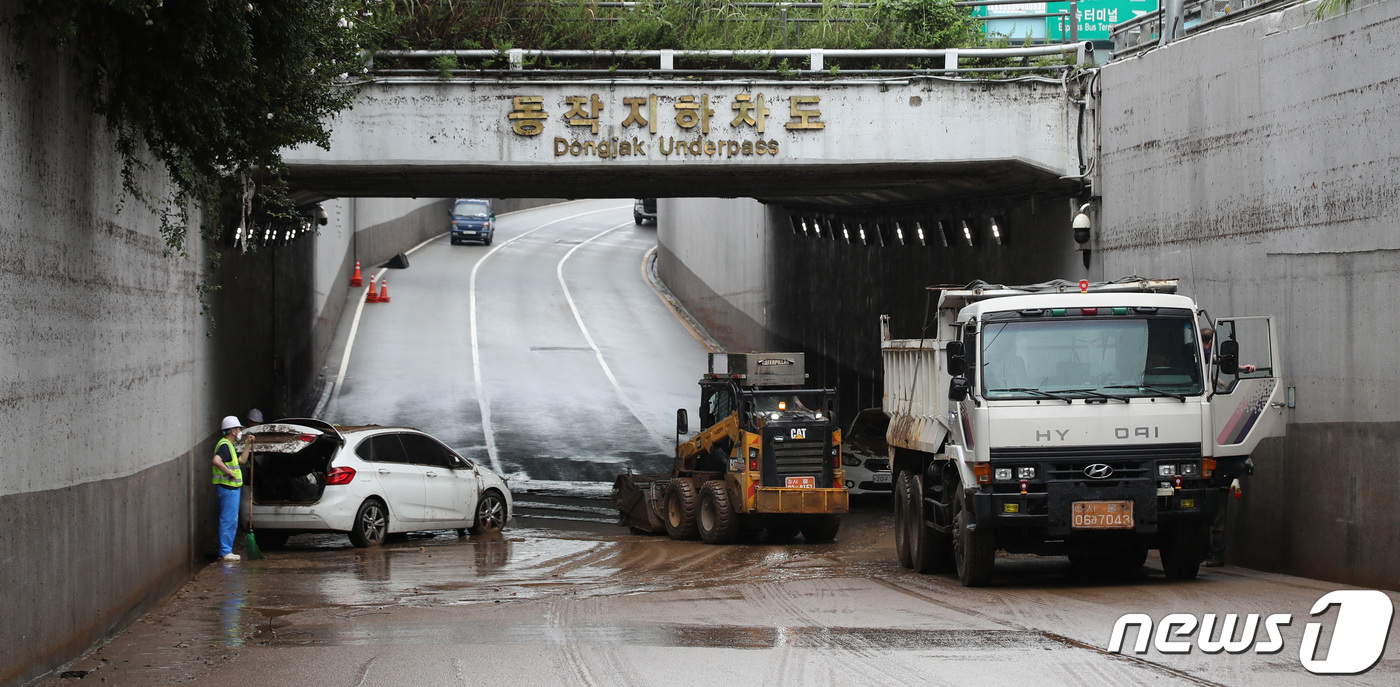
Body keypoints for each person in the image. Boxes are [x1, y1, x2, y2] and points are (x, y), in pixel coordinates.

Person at [213, 416, 246, 561]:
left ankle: (226, 550)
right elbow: (216, 460)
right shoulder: (225, 446)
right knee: (228, 520)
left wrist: (248, 444)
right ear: (233, 431)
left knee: (229, 519)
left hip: (229, 489)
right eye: (238, 429)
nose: (240, 432)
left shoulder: (228, 446)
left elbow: (242, 460)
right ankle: (225, 551)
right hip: (228, 489)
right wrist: (229, 473)